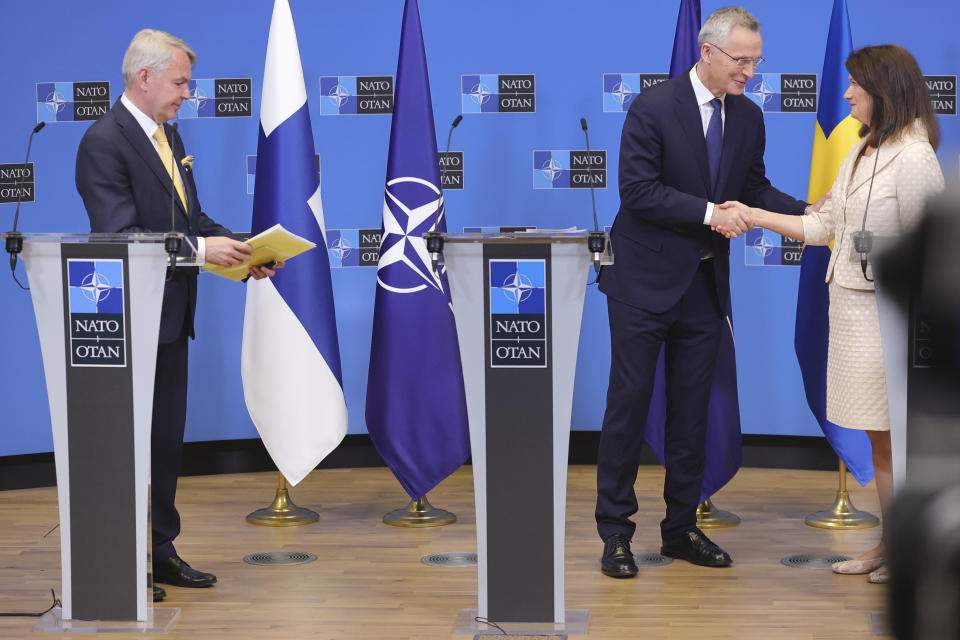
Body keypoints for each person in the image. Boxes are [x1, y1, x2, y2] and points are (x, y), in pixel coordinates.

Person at [595, 6, 814, 578]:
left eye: (756, 62)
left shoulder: (748, 117)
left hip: (704, 285)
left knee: (691, 413)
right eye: (742, 60)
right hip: (643, 283)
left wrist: (813, 212)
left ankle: (680, 528)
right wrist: (712, 213)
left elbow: (754, 187)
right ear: (708, 53)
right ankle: (615, 533)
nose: (750, 72)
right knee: (628, 408)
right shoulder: (652, 107)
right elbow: (639, 192)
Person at [717, 44, 945, 584]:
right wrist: (752, 213)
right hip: (853, 317)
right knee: (881, 441)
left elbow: (930, 257)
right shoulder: (864, 148)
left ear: (883, 90)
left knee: (899, 442)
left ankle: (906, 552)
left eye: (855, 86)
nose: (845, 94)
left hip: (891, 324)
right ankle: (890, 547)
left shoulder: (913, 157)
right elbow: (823, 229)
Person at [75, 29, 280, 602]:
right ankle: (120, 556)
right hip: (128, 325)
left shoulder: (170, 134)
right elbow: (119, 237)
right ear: (145, 78)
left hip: (171, 318)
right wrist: (198, 253)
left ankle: (160, 550)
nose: (188, 93)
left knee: (165, 440)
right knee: (128, 443)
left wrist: (242, 252)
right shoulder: (103, 141)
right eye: (181, 81)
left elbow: (191, 219)